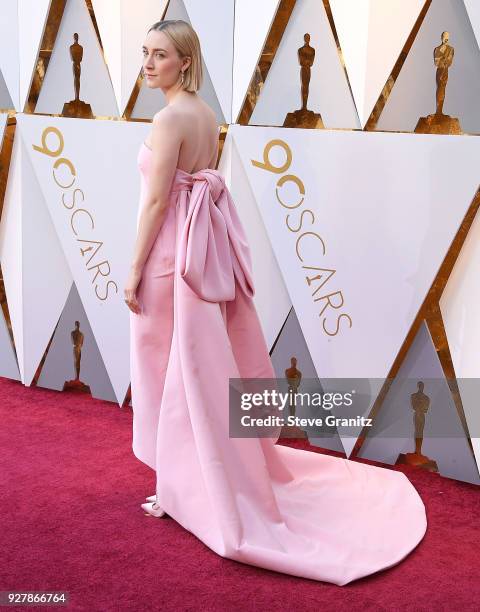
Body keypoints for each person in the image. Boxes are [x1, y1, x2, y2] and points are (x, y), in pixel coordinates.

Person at [124, 19, 427, 586]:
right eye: (144, 53)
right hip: (197, 260)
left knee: (171, 378)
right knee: (192, 378)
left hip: (169, 262)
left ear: (184, 62)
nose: (147, 63)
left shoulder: (168, 120)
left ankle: (182, 488)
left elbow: (157, 202)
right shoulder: (206, 115)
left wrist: (134, 268)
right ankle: (186, 482)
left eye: (159, 55)